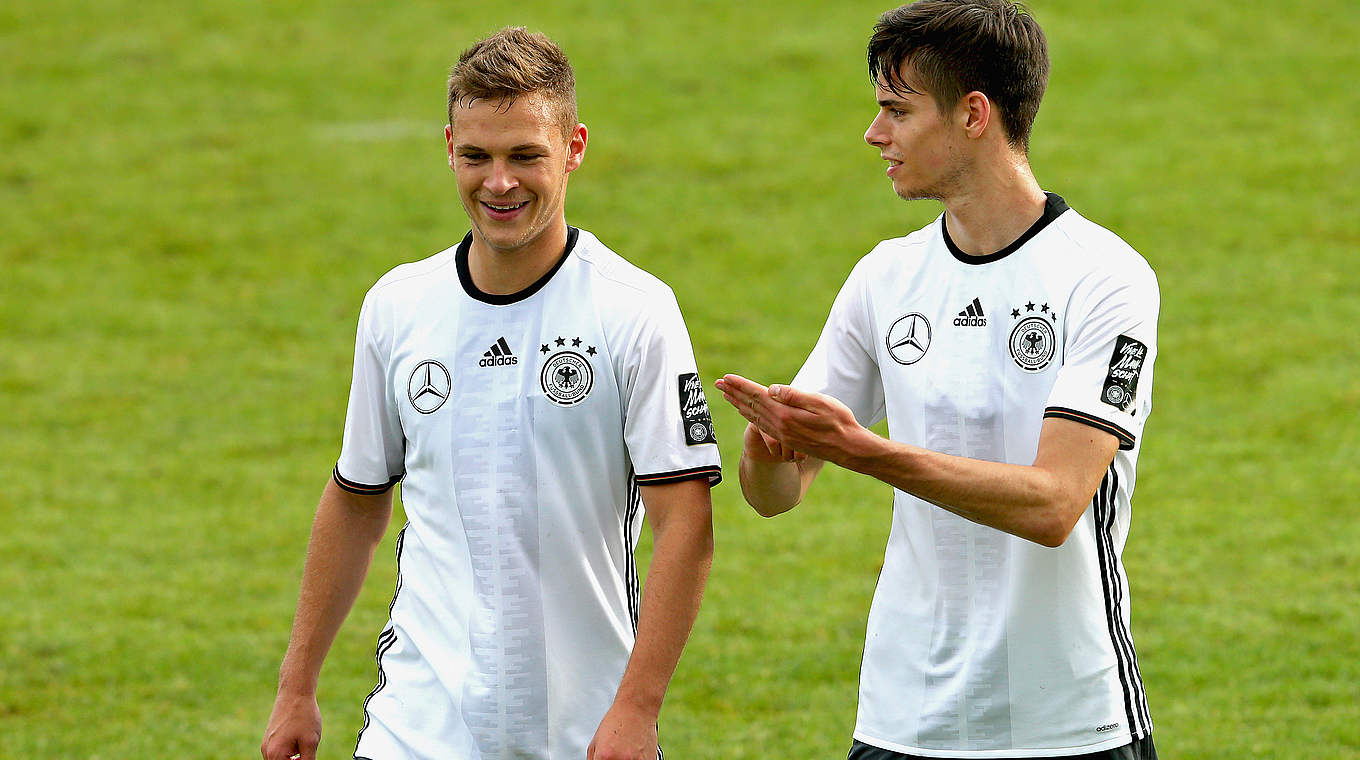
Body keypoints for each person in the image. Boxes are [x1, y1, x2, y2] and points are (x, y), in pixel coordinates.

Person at [262, 27, 720, 760]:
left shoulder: (633, 311)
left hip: (581, 733)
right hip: (418, 728)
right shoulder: (398, 306)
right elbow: (356, 497)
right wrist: (296, 686)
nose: (498, 182)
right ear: (449, 146)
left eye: (524, 156)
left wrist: (637, 707)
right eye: (476, 156)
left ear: (573, 149)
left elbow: (685, 521)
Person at [716, 2, 1159, 758]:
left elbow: (1054, 503)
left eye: (896, 109)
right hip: (903, 723)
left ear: (973, 115)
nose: (874, 132)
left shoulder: (1104, 278)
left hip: (1065, 727)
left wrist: (865, 452)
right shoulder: (886, 277)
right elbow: (777, 497)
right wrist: (768, 446)